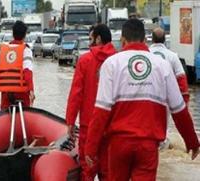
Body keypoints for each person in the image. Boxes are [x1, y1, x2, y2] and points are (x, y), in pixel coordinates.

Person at [84, 19, 199, 181]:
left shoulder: (111, 64)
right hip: (148, 146)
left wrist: (91, 147)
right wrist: (192, 141)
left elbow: (101, 111)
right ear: (145, 40)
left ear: (123, 40)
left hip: (118, 145)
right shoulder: (163, 65)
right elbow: (179, 109)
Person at [65, 24, 116, 181]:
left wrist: (70, 122)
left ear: (98, 38)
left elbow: (76, 94)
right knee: (109, 174)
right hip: (113, 128)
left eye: (90, 39)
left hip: (89, 127)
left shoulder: (85, 60)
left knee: (87, 172)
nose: (89, 43)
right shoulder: (118, 61)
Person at [149, 27, 190, 149]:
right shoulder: (172, 56)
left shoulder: (145, 53)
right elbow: (181, 78)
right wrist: (184, 99)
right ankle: (162, 144)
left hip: (146, 94)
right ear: (165, 40)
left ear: (152, 39)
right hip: (166, 97)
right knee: (163, 125)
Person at [0, 21, 35, 110]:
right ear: (25, 35)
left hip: (6, 94)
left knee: (5, 114)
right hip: (22, 94)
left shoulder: (3, 51)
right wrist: (31, 90)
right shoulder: (26, 51)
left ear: (13, 34)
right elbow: (27, 71)